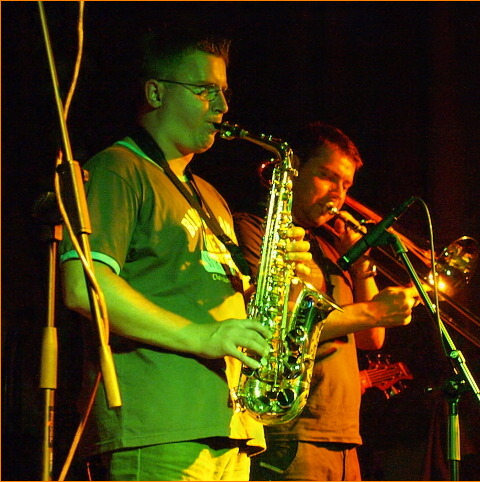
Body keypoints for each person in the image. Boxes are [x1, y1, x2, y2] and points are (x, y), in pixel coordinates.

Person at [59, 28, 311, 481]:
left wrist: (286, 285)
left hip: (231, 428)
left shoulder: (211, 197)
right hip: (159, 426)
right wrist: (202, 336)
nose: (222, 106)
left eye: (224, 91)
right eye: (204, 89)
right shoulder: (119, 167)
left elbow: (234, 310)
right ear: (156, 93)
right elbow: (83, 286)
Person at [234, 122, 419, 481]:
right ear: (293, 170)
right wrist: (373, 311)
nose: (339, 195)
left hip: (343, 433)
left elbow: (371, 338)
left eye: (346, 185)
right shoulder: (255, 228)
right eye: (327, 177)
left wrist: (362, 264)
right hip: (292, 432)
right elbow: (274, 324)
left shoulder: (330, 250)